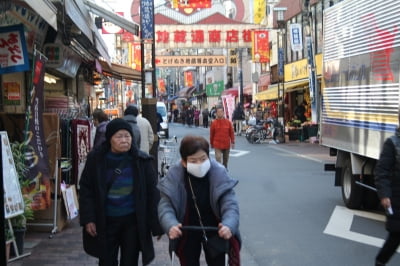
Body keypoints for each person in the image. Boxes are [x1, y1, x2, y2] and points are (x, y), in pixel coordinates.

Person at [79, 118, 162, 266]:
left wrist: (156, 224)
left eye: (127, 136)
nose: (124, 140)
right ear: (110, 138)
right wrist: (89, 218)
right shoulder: (96, 159)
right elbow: (86, 189)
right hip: (106, 220)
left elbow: (152, 194)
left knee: (130, 261)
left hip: (132, 221)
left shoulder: (141, 161)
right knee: (106, 260)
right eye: (119, 136)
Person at [157, 135, 240, 266]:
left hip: (215, 228)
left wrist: (228, 224)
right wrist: (170, 224)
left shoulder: (219, 173)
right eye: (193, 161)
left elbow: (230, 204)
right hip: (186, 228)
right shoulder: (174, 176)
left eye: (203, 159)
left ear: (209, 156)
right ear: (184, 162)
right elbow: (166, 206)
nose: (199, 164)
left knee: (217, 262)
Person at [374, 128, 400, 266]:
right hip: (397, 197)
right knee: (395, 236)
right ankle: (380, 262)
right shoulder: (392, 143)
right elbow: (381, 171)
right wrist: (384, 194)